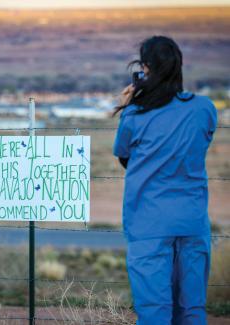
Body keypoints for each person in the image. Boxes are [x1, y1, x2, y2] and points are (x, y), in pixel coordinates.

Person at [112, 35, 217, 325]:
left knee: (154, 311)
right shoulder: (204, 108)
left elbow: (124, 154)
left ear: (145, 69)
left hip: (149, 224)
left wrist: (128, 107)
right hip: (193, 221)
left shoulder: (135, 114)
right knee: (192, 309)